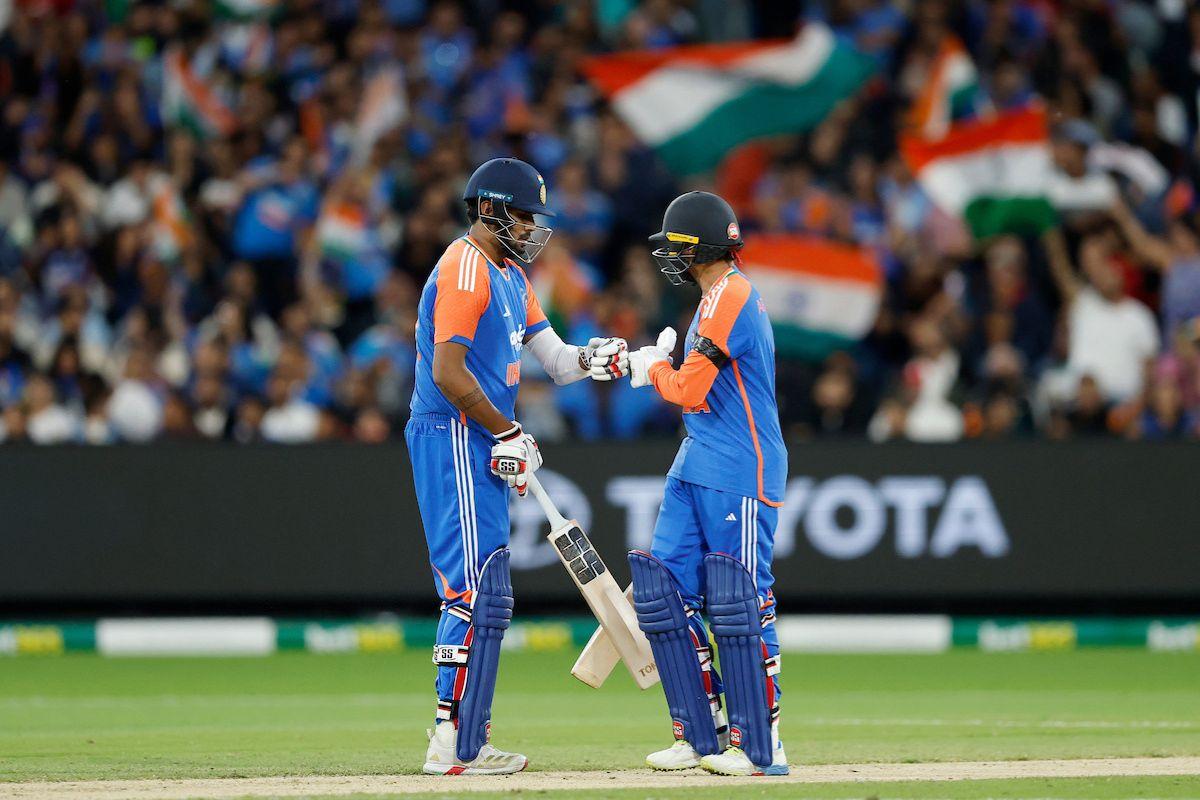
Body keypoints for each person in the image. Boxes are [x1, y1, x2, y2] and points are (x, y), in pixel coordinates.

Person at [405, 158, 629, 775]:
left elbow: (555, 361)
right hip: (453, 432)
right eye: (523, 215)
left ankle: (471, 744)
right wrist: (508, 429)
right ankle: (449, 741)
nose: (532, 228)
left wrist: (599, 358)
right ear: (487, 210)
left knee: (493, 591)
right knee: (470, 587)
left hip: (481, 434)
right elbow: (448, 374)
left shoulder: (508, 274)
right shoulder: (464, 267)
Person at [625, 191, 788, 776]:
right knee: (662, 595)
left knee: (739, 601)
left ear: (696, 246)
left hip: (740, 466)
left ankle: (761, 743)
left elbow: (689, 389)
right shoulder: (711, 300)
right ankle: (701, 734)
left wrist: (652, 370)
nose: (668, 254)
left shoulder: (733, 293)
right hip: (695, 462)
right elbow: (695, 390)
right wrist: (654, 368)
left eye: (675, 244)